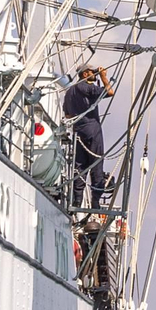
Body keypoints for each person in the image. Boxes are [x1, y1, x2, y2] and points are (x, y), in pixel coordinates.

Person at [62, 64, 114, 207]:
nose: (94, 74)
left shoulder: (70, 91)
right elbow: (110, 92)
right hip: (92, 128)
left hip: (78, 131)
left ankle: (77, 200)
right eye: (92, 72)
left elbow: (67, 114)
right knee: (96, 163)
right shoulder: (87, 87)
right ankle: (95, 200)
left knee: (80, 166)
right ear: (85, 74)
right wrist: (103, 77)